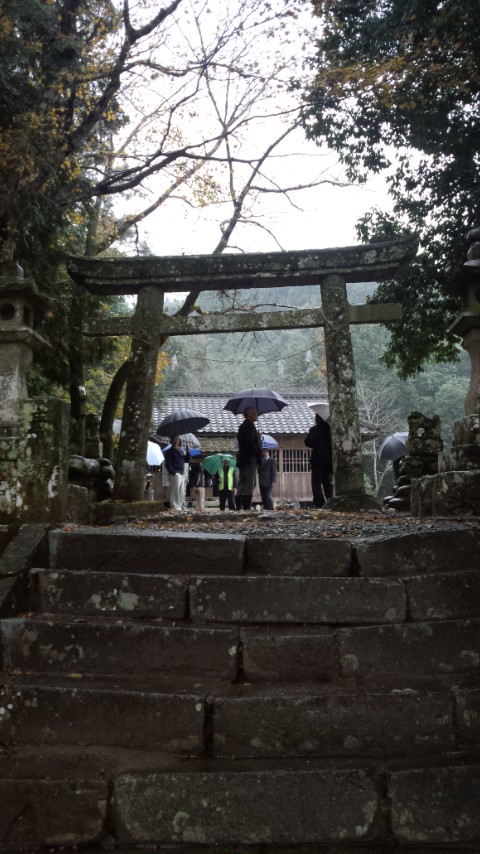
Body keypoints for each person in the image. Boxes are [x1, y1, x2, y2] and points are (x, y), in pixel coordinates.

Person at [236, 407, 262, 510]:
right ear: (249, 414)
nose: (257, 414)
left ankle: (238, 505)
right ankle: (246, 506)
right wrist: (258, 452)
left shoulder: (242, 426)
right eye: (255, 413)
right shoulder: (250, 426)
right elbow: (250, 442)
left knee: (242, 482)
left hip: (243, 458)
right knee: (249, 483)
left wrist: (257, 437)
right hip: (249, 458)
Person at [304, 414, 333, 508]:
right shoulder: (331, 430)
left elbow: (308, 442)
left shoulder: (314, 429)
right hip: (329, 460)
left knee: (316, 482)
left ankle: (319, 501)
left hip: (317, 459)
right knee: (327, 482)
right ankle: (330, 500)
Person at [164, 436, 190, 510]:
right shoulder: (169, 452)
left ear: (179, 441)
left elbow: (187, 460)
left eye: (177, 439)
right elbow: (167, 464)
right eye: (174, 439)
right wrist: (173, 472)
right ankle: (174, 506)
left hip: (182, 473)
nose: (176, 441)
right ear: (171, 441)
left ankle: (179, 506)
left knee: (182, 491)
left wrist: (188, 452)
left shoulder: (182, 451)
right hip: (175, 473)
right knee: (175, 490)